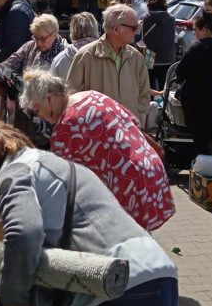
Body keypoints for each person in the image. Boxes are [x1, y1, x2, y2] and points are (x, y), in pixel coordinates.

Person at [0, 124, 178, 306]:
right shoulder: (56, 166)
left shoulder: (13, 172)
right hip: (160, 281)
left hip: (115, 291)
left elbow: (24, 235)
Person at [21, 71, 175, 231]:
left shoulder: (64, 130)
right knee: (140, 242)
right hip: (149, 170)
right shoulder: (93, 95)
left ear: (48, 99)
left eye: (37, 109)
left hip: (126, 185)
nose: (39, 115)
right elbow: (133, 123)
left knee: (125, 245)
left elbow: (64, 186)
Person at [66, 4, 153, 123]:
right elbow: (72, 96)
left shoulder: (136, 57)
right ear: (116, 29)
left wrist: (139, 119)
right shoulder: (85, 56)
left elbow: (144, 94)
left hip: (129, 133)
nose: (137, 32)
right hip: (97, 135)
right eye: (134, 27)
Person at [176, 11, 212, 156]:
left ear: (205, 29)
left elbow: (180, 71)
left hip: (197, 103)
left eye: (196, 30)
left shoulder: (196, 47)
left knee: (201, 144)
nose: (194, 33)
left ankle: (203, 173)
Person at [3, 14, 67, 74]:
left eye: (42, 39)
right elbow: (7, 66)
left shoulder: (65, 54)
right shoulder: (29, 46)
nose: (38, 43)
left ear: (54, 35)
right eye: (36, 38)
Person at [142, 0, 177, 90]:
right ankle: (162, 104)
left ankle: (151, 103)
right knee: (164, 87)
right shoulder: (171, 19)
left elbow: (141, 38)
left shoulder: (145, 18)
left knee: (149, 86)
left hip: (150, 55)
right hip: (167, 56)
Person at [51, 12, 100, 80]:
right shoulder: (106, 57)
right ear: (95, 29)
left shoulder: (59, 59)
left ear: (72, 31)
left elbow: (52, 88)